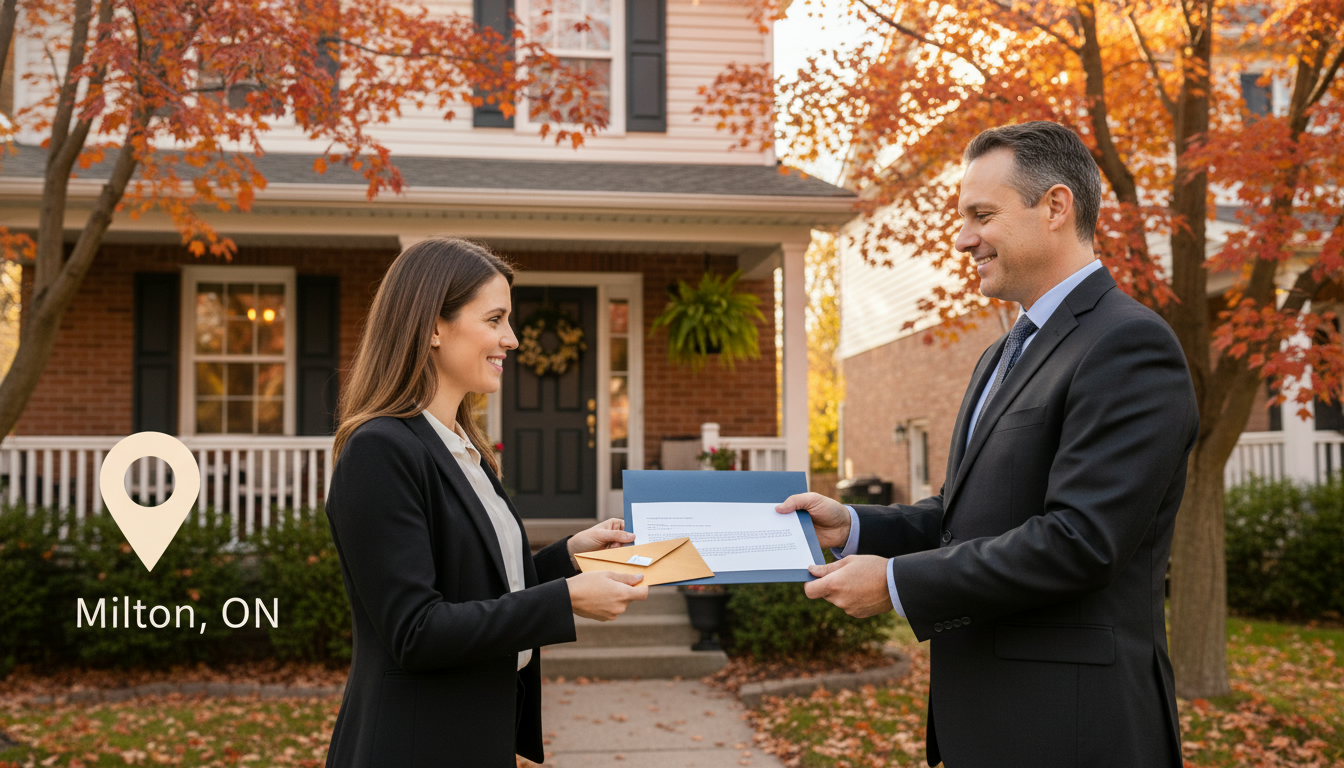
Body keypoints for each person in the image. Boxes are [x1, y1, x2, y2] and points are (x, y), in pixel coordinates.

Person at [778, 121, 1197, 767]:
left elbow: (1081, 542)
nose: (962, 238)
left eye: (982, 215)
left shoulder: (1128, 344)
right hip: (986, 723)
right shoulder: (1000, 354)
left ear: (1055, 207)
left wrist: (896, 583)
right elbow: (966, 516)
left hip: (1072, 730)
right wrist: (856, 527)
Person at [323, 237, 648, 767]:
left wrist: (570, 557)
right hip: (413, 748)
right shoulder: (380, 450)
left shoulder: (462, 449)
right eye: (495, 319)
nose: (512, 339)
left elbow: (482, 587)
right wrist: (565, 599)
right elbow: (417, 631)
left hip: (476, 739)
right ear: (433, 327)